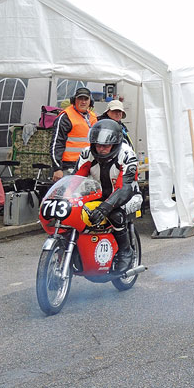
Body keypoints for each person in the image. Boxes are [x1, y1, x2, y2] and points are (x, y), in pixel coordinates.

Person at [76, 119, 141, 274]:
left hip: (129, 195)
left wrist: (105, 207)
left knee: (115, 214)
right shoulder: (87, 153)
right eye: (98, 145)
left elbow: (124, 188)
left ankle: (126, 252)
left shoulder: (126, 155)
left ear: (115, 144)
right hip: (98, 196)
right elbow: (76, 180)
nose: (101, 149)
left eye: (105, 145)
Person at [50, 86, 98, 181]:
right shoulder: (65, 117)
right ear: (74, 100)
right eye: (80, 98)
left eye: (86, 99)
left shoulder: (93, 116)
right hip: (69, 165)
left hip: (88, 164)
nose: (83, 102)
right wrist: (57, 168)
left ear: (90, 101)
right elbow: (57, 143)